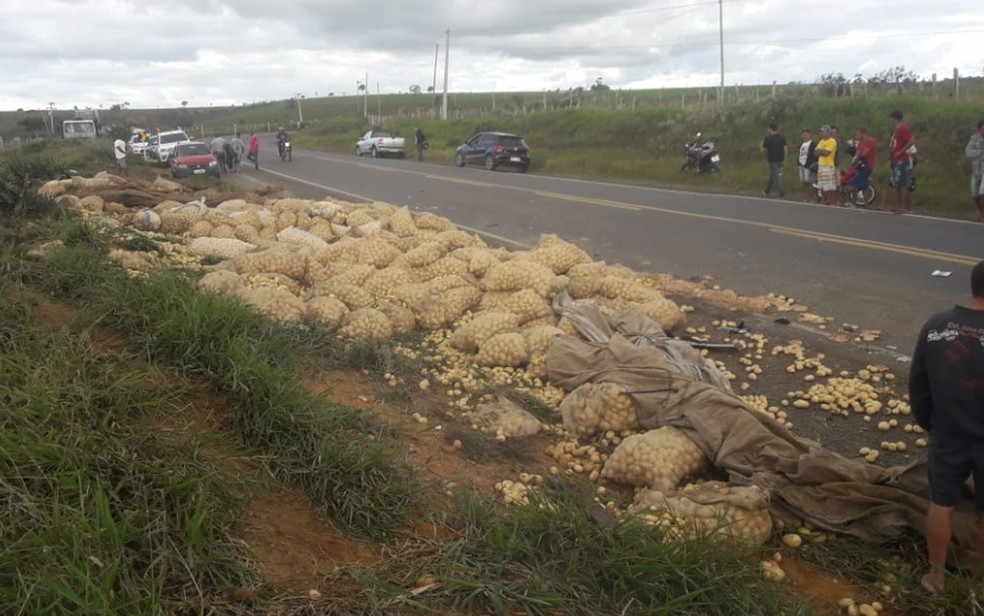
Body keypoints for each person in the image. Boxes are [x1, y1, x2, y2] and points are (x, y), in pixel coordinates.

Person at [909, 258, 984, 595]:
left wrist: (930, 423)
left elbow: (919, 383)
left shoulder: (937, 325)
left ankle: (935, 577)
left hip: (948, 433)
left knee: (941, 503)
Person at [888, 110, 915, 214]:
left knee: (902, 183)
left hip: (902, 160)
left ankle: (903, 206)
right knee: (897, 183)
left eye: (891, 118)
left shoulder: (903, 129)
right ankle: (899, 205)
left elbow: (912, 140)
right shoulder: (896, 130)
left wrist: (901, 151)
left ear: (895, 119)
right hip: (895, 160)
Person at [845, 127, 877, 206]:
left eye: (858, 134)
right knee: (864, 186)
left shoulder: (870, 141)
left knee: (852, 184)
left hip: (866, 166)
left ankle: (853, 202)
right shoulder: (860, 143)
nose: (857, 136)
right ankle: (865, 204)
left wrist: (858, 155)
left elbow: (864, 154)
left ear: (863, 133)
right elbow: (857, 153)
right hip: (860, 166)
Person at [760, 123, 787, 198]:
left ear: (771, 129)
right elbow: (785, 149)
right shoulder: (782, 138)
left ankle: (782, 192)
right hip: (780, 160)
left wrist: (761, 144)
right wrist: (784, 159)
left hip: (772, 161)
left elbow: (762, 151)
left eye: (768, 129)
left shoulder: (768, 139)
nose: (767, 130)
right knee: (772, 176)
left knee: (776, 177)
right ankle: (766, 191)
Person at [965, 120, 984, 222]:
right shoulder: (974, 138)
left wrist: (976, 150)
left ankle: (983, 215)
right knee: (974, 194)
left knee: (982, 192)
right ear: (979, 129)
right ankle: (981, 212)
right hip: (976, 169)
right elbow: (968, 152)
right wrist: (981, 151)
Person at [814, 125, 838, 205]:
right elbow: (815, 153)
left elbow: (826, 153)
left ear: (828, 132)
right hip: (821, 165)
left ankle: (831, 200)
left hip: (828, 165)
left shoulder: (832, 141)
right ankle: (824, 200)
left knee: (830, 185)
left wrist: (820, 151)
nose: (821, 133)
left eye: (823, 132)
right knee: (822, 184)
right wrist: (821, 151)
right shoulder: (821, 141)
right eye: (821, 132)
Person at [797, 129, 817, 203]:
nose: (805, 136)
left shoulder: (812, 144)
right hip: (801, 164)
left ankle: (812, 197)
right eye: (803, 134)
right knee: (804, 182)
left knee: (809, 182)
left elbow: (814, 155)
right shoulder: (801, 144)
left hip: (808, 165)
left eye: (806, 134)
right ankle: (806, 196)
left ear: (809, 135)